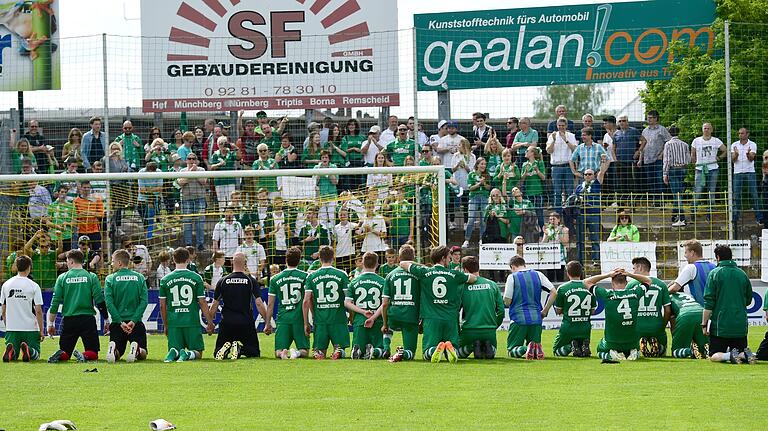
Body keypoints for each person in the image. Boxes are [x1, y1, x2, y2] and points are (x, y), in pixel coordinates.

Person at [400, 245, 478, 363]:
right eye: (448, 257)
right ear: (443, 258)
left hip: (431, 318)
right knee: (454, 350)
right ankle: (448, 350)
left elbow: (403, 263)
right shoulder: (454, 274)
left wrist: (423, 266)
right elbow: (473, 278)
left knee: (427, 353)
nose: (450, 260)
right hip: (451, 318)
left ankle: (434, 350)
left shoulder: (424, 272)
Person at [47, 249, 108, 363]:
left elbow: (55, 302)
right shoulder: (91, 276)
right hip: (87, 319)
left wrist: (51, 323)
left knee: (65, 352)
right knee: (93, 352)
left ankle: (61, 355)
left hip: (69, 320)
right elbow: (99, 300)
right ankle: (84, 355)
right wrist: (106, 319)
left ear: (70, 261)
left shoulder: (62, 278)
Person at [583, 268, 652, 362]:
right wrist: (630, 274)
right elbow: (647, 280)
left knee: (600, 348)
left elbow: (587, 282)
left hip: (612, 342)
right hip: (632, 341)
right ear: (626, 283)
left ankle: (612, 354)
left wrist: (607, 275)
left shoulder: (607, 294)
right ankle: (632, 352)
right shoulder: (635, 293)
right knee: (633, 344)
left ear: (612, 283)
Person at [159, 247, 214, 362]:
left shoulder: (165, 280)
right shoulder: (196, 277)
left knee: (175, 348)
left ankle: (174, 351)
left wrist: (166, 324)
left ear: (173, 260)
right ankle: (188, 354)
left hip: (174, 322)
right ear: (188, 259)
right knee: (198, 352)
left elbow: (162, 306)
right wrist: (209, 322)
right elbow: (202, 302)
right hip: (191, 321)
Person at [702, 245, 755, 364]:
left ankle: (729, 355)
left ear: (718, 257)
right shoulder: (742, 274)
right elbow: (748, 300)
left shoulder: (714, 274)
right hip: (740, 325)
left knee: (713, 355)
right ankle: (744, 354)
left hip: (721, 325)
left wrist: (704, 324)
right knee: (740, 350)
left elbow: (709, 302)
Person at [303, 245, 357, 360]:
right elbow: (349, 298)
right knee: (340, 347)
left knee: (320, 349)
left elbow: (307, 300)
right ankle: (338, 352)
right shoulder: (341, 274)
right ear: (333, 258)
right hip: (338, 318)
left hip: (320, 319)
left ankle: (319, 353)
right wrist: (351, 316)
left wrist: (307, 321)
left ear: (319, 259)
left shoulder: (311, 276)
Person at [210, 252, 267, 360]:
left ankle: (225, 349)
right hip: (245, 322)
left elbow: (214, 305)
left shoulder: (222, 281)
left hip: (227, 323)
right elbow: (259, 303)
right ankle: (240, 349)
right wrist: (267, 322)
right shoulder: (250, 281)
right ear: (245, 264)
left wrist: (210, 323)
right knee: (254, 352)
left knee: (217, 352)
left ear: (232, 263)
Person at [503, 256, 556, 360]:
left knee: (512, 350)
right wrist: (545, 310)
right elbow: (554, 292)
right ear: (524, 264)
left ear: (512, 267)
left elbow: (507, 300)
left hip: (518, 319)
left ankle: (525, 349)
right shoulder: (538, 274)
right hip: (536, 319)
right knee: (534, 350)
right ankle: (535, 348)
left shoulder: (512, 277)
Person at [264, 247, 310, 359]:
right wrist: (306, 322)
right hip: (298, 319)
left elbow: (270, 304)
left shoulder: (275, 279)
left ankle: (282, 354)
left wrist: (267, 323)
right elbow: (307, 301)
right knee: (304, 351)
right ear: (299, 260)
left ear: (286, 260)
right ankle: (297, 353)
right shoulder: (305, 276)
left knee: (277, 351)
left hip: (283, 318)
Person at [104, 249, 149, 363]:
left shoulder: (110, 279)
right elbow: (144, 301)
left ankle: (113, 348)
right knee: (143, 354)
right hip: (135, 323)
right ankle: (137, 349)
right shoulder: (140, 278)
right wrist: (133, 321)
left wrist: (120, 322)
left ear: (119, 263)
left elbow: (109, 303)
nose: (112, 264)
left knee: (118, 355)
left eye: (113, 261)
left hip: (118, 324)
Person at [378, 244, 421, 362]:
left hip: (394, 314)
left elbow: (385, 303)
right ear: (413, 257)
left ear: (399, 258)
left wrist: (385, 324)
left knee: (388, 329)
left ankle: (386, 347)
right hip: (411, 316)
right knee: (410, 353)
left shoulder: (390, 275)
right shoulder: (418, 274)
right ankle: (403, 353)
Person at [457, 256, 504, 359]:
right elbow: (501, 310)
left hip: (469, 330)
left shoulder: (462, 287)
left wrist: (458, 330)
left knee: (457, 353)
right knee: (492, 351)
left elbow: (456, 310)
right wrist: (494, 325)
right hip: (489, 330)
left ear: (465, 270)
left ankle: (472, 346)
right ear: (478, 268)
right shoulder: (492, 285)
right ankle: (486, 346)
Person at [1, 255, 44, 362]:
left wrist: (8, 326)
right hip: (30, 328)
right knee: (36, 355)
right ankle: (28, 349)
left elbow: (3, 309)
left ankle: (11, 352)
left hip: (12, 328)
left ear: (16, 266)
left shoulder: (6, 285)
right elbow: (38, 310)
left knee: (14, 358)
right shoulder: (34, 286)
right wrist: (41, 330)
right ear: (29, 267)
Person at [347, 252, 388, 359]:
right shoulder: (383, 282)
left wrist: (363, 312)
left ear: (363, 263)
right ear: (377, 264)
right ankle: (374, 352)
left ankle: (358, 350)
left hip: (360, 321)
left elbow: (347, 303)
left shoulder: (354, 282)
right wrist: (373, 317)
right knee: (381, 350)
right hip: (377, 321)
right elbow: (384, 304)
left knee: (359, 350)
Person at [629, 257, 671, 357]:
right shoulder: (661, 284)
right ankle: (658, 348)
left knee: (633, 351)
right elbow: (668, 310)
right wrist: (662, 326)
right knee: (662, 353)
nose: (633, 271)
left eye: (634, 268)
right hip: (656, 326)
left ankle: (639, 346)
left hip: (637, 328)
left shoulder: (631, 285)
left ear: (640, 267)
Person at [551, 261, 596, 357]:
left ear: (567, 273)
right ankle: (583, 345)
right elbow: (593, 311)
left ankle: (570, 347)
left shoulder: (563, 288)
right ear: (581, 273)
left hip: (569, 327)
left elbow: (558, 310)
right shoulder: (589, 287)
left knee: (556, 351)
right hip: (585, 328)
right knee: (580, 351)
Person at [573, 161, 609, 264]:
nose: (588, 176)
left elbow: (602, 172)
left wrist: (603, 161)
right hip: (581, 214)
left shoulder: (596, 183)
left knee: (595, 238)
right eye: (586, 174)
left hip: (593, 215)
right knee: (580, 240)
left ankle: (596, 259)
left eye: (590, 174)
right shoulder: (579, 187)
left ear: (594, 175)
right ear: (583, 176)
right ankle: (580, 260)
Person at [691, 123, 726, 220]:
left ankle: (709, 214)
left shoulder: (716, 140)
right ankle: (693, 212)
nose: (706, 130)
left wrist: (719, 157)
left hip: (713, 169)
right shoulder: (696, 141)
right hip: (700, 169)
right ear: (702, 129)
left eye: (708, 128)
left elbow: (725, 150)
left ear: (711, 130)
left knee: (712, 192)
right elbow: (692, 153)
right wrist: (694, 162)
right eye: (704, 128)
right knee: (698, 191)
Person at [668, 239, 716, 306]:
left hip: (699, 311)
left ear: (692, 253)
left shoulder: (691, 267)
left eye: (686, 252)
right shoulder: (714, 267)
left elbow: (674, 288)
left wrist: (661, 294)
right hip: (716, 311)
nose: (685, 255)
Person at [546, 117, 578, 213]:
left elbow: (575, 150)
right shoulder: (552, 136)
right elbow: (548, 151)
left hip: (568, 166)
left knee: (569, 191)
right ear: (557, 126)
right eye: (559, 126)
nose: (561, 127)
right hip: (556, 167)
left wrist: (566, 140)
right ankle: (558, 214)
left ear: (566, 126)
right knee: (557, 192)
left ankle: (569, 213)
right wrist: (554, 140)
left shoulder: (571, 135)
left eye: (563, 126)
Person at [732, 127, 761, 226]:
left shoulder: (752, 144)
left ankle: (759, 217)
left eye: (742, 133)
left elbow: (752, 158)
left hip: (750, 172)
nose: (740, 135)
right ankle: (736, 217)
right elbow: (733, 160)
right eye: (739, 133)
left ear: (747, 134)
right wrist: (735, 154)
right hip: (737, 173)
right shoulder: (734, 144)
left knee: (754, 195)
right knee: (736, 196)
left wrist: (748, 154)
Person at [637, 110, 671, 195]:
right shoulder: (644, 131)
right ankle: (654, 201)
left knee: (659, 180)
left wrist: (661, 154)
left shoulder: (662, 129)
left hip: (658, 159)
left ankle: (661, 201)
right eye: (648, 118)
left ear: (656, 118)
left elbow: (669, 143)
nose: (649, 120)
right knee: (650, 181)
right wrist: (640, 159)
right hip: (647, 159)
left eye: (651, 118)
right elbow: (642, 146)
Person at [178, 154, 208, 251]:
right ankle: (188, 245)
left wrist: (195, 173)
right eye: (189, 158)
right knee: (187, 222)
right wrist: (191, 172)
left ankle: (200, 244)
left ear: (196, 160)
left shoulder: (202, 170)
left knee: (200, 222)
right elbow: (181, 182)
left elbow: (203, 181)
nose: (191, 160)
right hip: (186, 199)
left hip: (199, 199)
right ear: (186, 160)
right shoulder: (182, 171)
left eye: (193, 158)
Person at [663, 125, 691, 227]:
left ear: (669, 133)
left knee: (676, 195)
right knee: (679, 194)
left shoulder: (668, 144)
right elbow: (688, 159)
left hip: (673, 170)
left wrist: (665, 173)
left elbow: (667, 160)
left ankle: (681, 218)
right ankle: (674, 215)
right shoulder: (685, 144)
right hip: (683, 169)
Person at [668, 290, 709, 359]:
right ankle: (705, 350)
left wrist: (676, 338)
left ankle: (690, 351)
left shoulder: (669, 297)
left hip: (685, 315)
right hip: (701, 313)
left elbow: (673, 322)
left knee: (675, 351)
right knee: (705, 347)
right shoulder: (689, 295)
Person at [613, 115, 641, 194]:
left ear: (627, 122)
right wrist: (615, 159)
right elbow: (613, 148)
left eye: (624, 121)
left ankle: (632, 201)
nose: (622, 122)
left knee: (631, 181)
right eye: (620, 121)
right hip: (620, 161)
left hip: (631, 161)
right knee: (621, 181)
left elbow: (644, 141)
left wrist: (638, 151)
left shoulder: (634, 131)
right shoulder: (616, 134)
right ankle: (622, 201)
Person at [73, 181, 104, 250]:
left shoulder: (96, 199)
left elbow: (101, 214)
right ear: (81, 188)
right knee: (82, 251)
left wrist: (90, 213)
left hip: (94, 230)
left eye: (88, 187)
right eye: (84, 187)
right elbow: (74, 216)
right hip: (82, 231)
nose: (86, 189)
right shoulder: (76, 201)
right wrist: (81, 214)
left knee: (98, 251)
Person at [520, 146, 546, 228]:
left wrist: (537, 171)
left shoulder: (540, 163)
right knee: (529, 214)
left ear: (532, 153)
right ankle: (530, 233)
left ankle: (542, 234)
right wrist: (525, 173)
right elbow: (521, 180)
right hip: (528, 193)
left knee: (539, 214)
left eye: (527, 151)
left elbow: (543, 177)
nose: (525, 152)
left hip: (538, 192)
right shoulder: (525, 164)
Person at [209, 139, 238, 209]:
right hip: (219, 181)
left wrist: (236, 148)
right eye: (221, 143)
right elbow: (212, 167)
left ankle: (232, 217)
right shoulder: (215, 155)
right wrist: (219, 164)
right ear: (218, 145)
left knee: (231, 201)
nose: (223, 145)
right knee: (221, 202)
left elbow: (239, 157)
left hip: (230, 181)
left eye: (224, 143)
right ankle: (222, 218)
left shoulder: (231, 154)